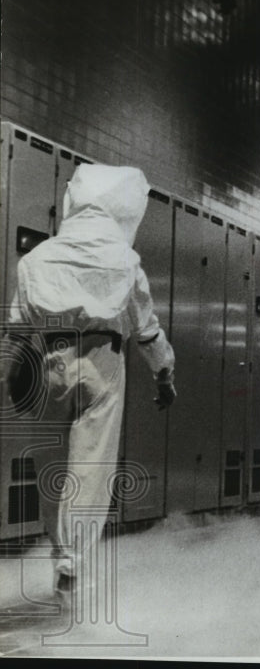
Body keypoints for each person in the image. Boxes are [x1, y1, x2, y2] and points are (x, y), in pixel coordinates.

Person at [1, 164, 176, 603]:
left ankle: (61, 557)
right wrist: (164, 374)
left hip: (45, 361)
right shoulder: (124, 260)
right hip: (102, 360)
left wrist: (8, 377)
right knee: (90, 468)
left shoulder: (37, 258)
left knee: (53, 472)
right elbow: (147, 330)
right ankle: (73, 568)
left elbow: (16, 329)